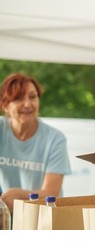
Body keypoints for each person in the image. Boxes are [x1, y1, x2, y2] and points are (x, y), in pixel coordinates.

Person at [0, 73, 71, 211]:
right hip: (7, 219)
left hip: (44, 220)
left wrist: (19, 195)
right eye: (19, 98)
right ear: (5, 105)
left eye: (32, 97)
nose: (27, 104)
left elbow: (51, 193)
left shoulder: (55, 139)